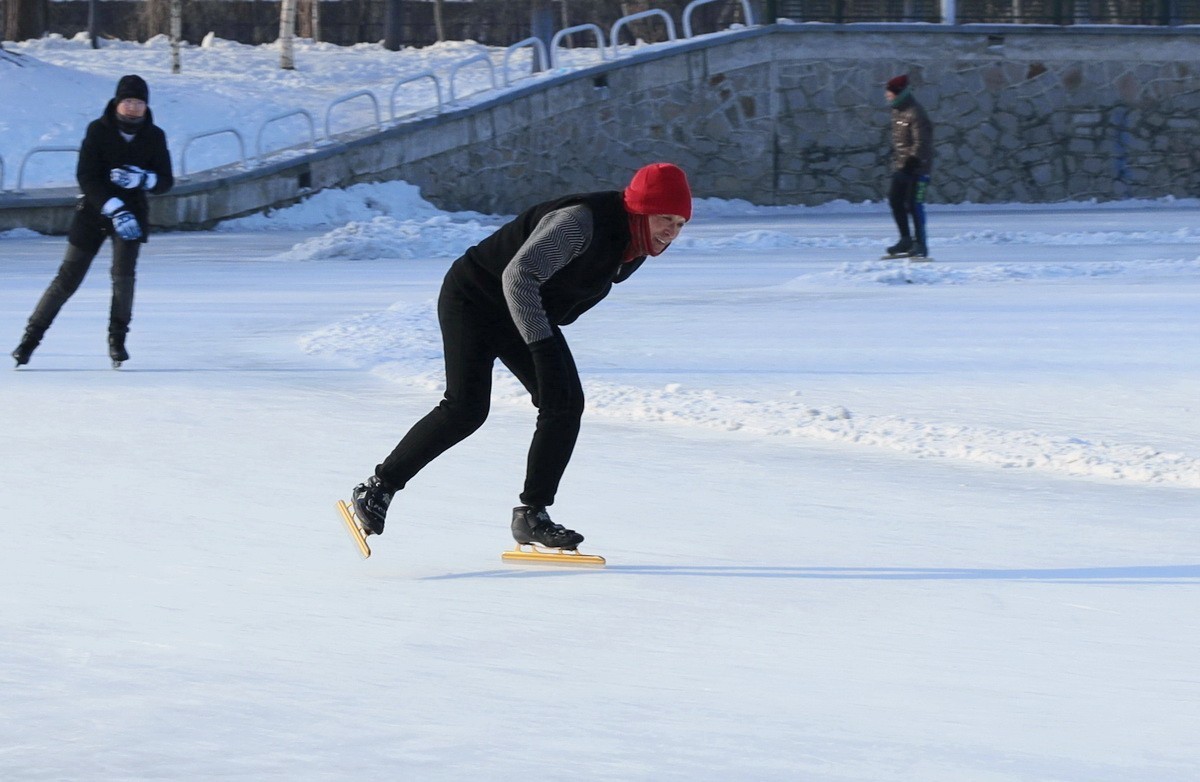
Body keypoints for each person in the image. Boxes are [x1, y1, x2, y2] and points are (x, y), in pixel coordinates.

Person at [349, 162, 692, 550]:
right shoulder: (580, 222)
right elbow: (519, 276)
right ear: (639, 209)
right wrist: (542, 346)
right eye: (665, 218)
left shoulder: (636, 245)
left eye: (680, 223)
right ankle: (378, 487)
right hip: (475, 298)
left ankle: (532, 515)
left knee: (564, 402)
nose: (672, 231)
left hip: (523, 309)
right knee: (466, 408)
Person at [11, 74, 174, 368]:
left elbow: (166, 180)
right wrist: (114, 208)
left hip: (132, 217)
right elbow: (86, 176)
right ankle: (29, 340)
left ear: (146, 105)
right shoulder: (98, 130)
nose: (133, 107)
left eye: (139, 102)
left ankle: (117, 341)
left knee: (123, 277)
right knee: (68, 278)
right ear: (117, 102)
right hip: (93, 213)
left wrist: (143, 179)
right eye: (128, 101)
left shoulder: (154, 135)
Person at [883, 74, 933, 259]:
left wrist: (913, 161)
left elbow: (922, 142)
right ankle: (905, 239)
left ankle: (921, 244)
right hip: (902, 165)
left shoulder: (915, 112)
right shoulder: (898, 111)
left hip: (918, 167)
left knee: (914, 204)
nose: (887, 96)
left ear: (899, 93)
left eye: (890, 93)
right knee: (895, 200)